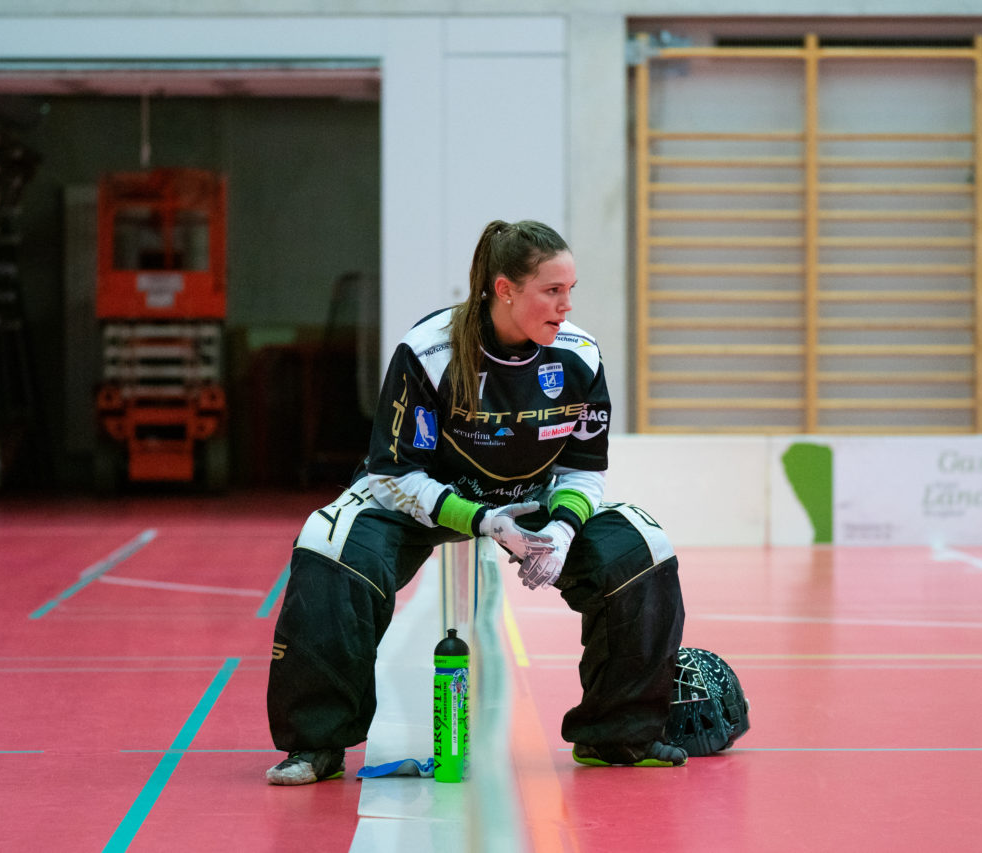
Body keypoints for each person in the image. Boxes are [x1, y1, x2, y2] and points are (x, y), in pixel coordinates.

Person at [265, 219, 686, 785]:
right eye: (551, 291)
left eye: (570, 291)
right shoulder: (429, 351)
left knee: (643, 548)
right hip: (418, 497)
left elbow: (583, 472)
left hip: (531, 499)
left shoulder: (580, 356)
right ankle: (317, 744)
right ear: (505, 289)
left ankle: (617, 735)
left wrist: (560, 532)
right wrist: (481, 519)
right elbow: (394, 474)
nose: (565, 306)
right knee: (328, 544)